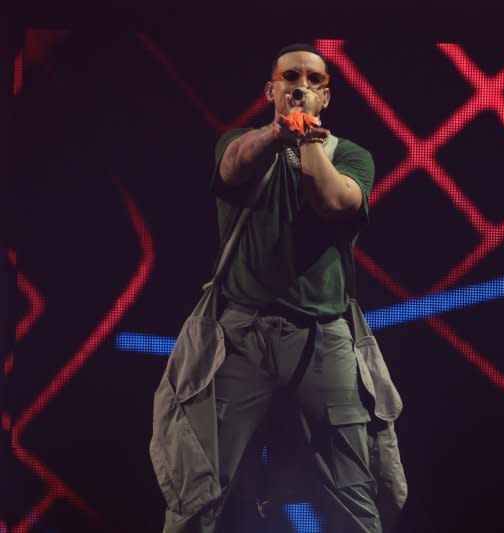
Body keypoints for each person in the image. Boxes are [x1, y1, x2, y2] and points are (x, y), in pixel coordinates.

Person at [154, 42, 382, 533]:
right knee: (198, 488)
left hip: (322, 339)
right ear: (271, 89)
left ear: (326, 96)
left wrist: (307, 141)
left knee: (352, 491)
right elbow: (234, 165)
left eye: (312, 80)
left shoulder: (353, 157)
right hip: (239, 338)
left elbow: (332, 201)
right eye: (290, 77)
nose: (300, 86)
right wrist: (279, 133)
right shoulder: (243, 142)